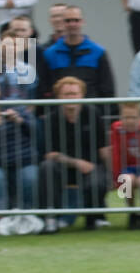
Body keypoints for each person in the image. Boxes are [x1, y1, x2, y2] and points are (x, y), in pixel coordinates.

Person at [39, 75, 111, 232]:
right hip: (62, 167)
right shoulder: (51, 118)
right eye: (66, 94)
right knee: (47, 167)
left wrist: (112, 170)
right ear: (58, 96)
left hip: (91, 166)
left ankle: (94, 218)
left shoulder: (93, 114)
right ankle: (50, 218)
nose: (71, 97)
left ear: (82, 95)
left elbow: (104, 149)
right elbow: (49, 154)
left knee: (98, 177)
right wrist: (76, 162)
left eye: (74, 93)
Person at [0, 76, 42, 234]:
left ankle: (26, 216)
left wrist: (20, 120)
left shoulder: (15, 105)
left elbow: (36, 131)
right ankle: (1, 219)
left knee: (30, 176)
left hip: (24, 159)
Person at [39, 6, 116, 106]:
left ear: (83, 22)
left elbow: (107, 88)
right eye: (68, 21)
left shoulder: (98, 52)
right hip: (59, 114)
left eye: (76, 20)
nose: (72, 24)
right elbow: (44, 87)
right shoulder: (50, 54)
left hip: (92, 113)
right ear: (62, 23)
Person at [110, 101, 140, 229]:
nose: (129, 121)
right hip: (128, 166)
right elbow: (116, 153)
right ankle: (132, 213)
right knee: (127, 180)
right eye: (126, 117)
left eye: (133, 117)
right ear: (120, 117)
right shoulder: (117, 128)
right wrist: (116, 176)